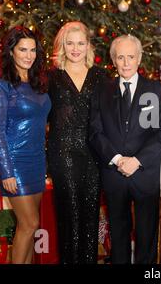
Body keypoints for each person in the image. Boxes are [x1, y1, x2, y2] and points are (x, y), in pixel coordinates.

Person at [89, 35, 161, 264]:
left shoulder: (155, 89)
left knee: (146, 237)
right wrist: (117, 158)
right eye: (120, 57)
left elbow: (160, 132)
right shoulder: (101, 91)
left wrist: (137, 160)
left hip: (144, 174)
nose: (125, 63)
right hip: (114, 175)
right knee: (119, 238)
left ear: (139, 58)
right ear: (113, 60)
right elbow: (95, 132)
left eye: (130, 57)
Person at [47, 21, 108, 264]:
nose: (75, 48)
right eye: (70, 43)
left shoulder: (100, 76)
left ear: (88, 46)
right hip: (63, 153)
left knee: (90, 215)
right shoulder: (51, 77)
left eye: (80, 43)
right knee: (69, 215)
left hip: (94, 154)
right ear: (62, 46)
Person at [0, 26, 51, 264]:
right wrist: (6, 171)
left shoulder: (39, 84)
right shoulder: (2, 86)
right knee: (30, 223)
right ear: (12, 52)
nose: (29, 55)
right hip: (14, 162)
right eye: (23, 49)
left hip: (36, 162)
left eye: (33, 50)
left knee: (28, 228)